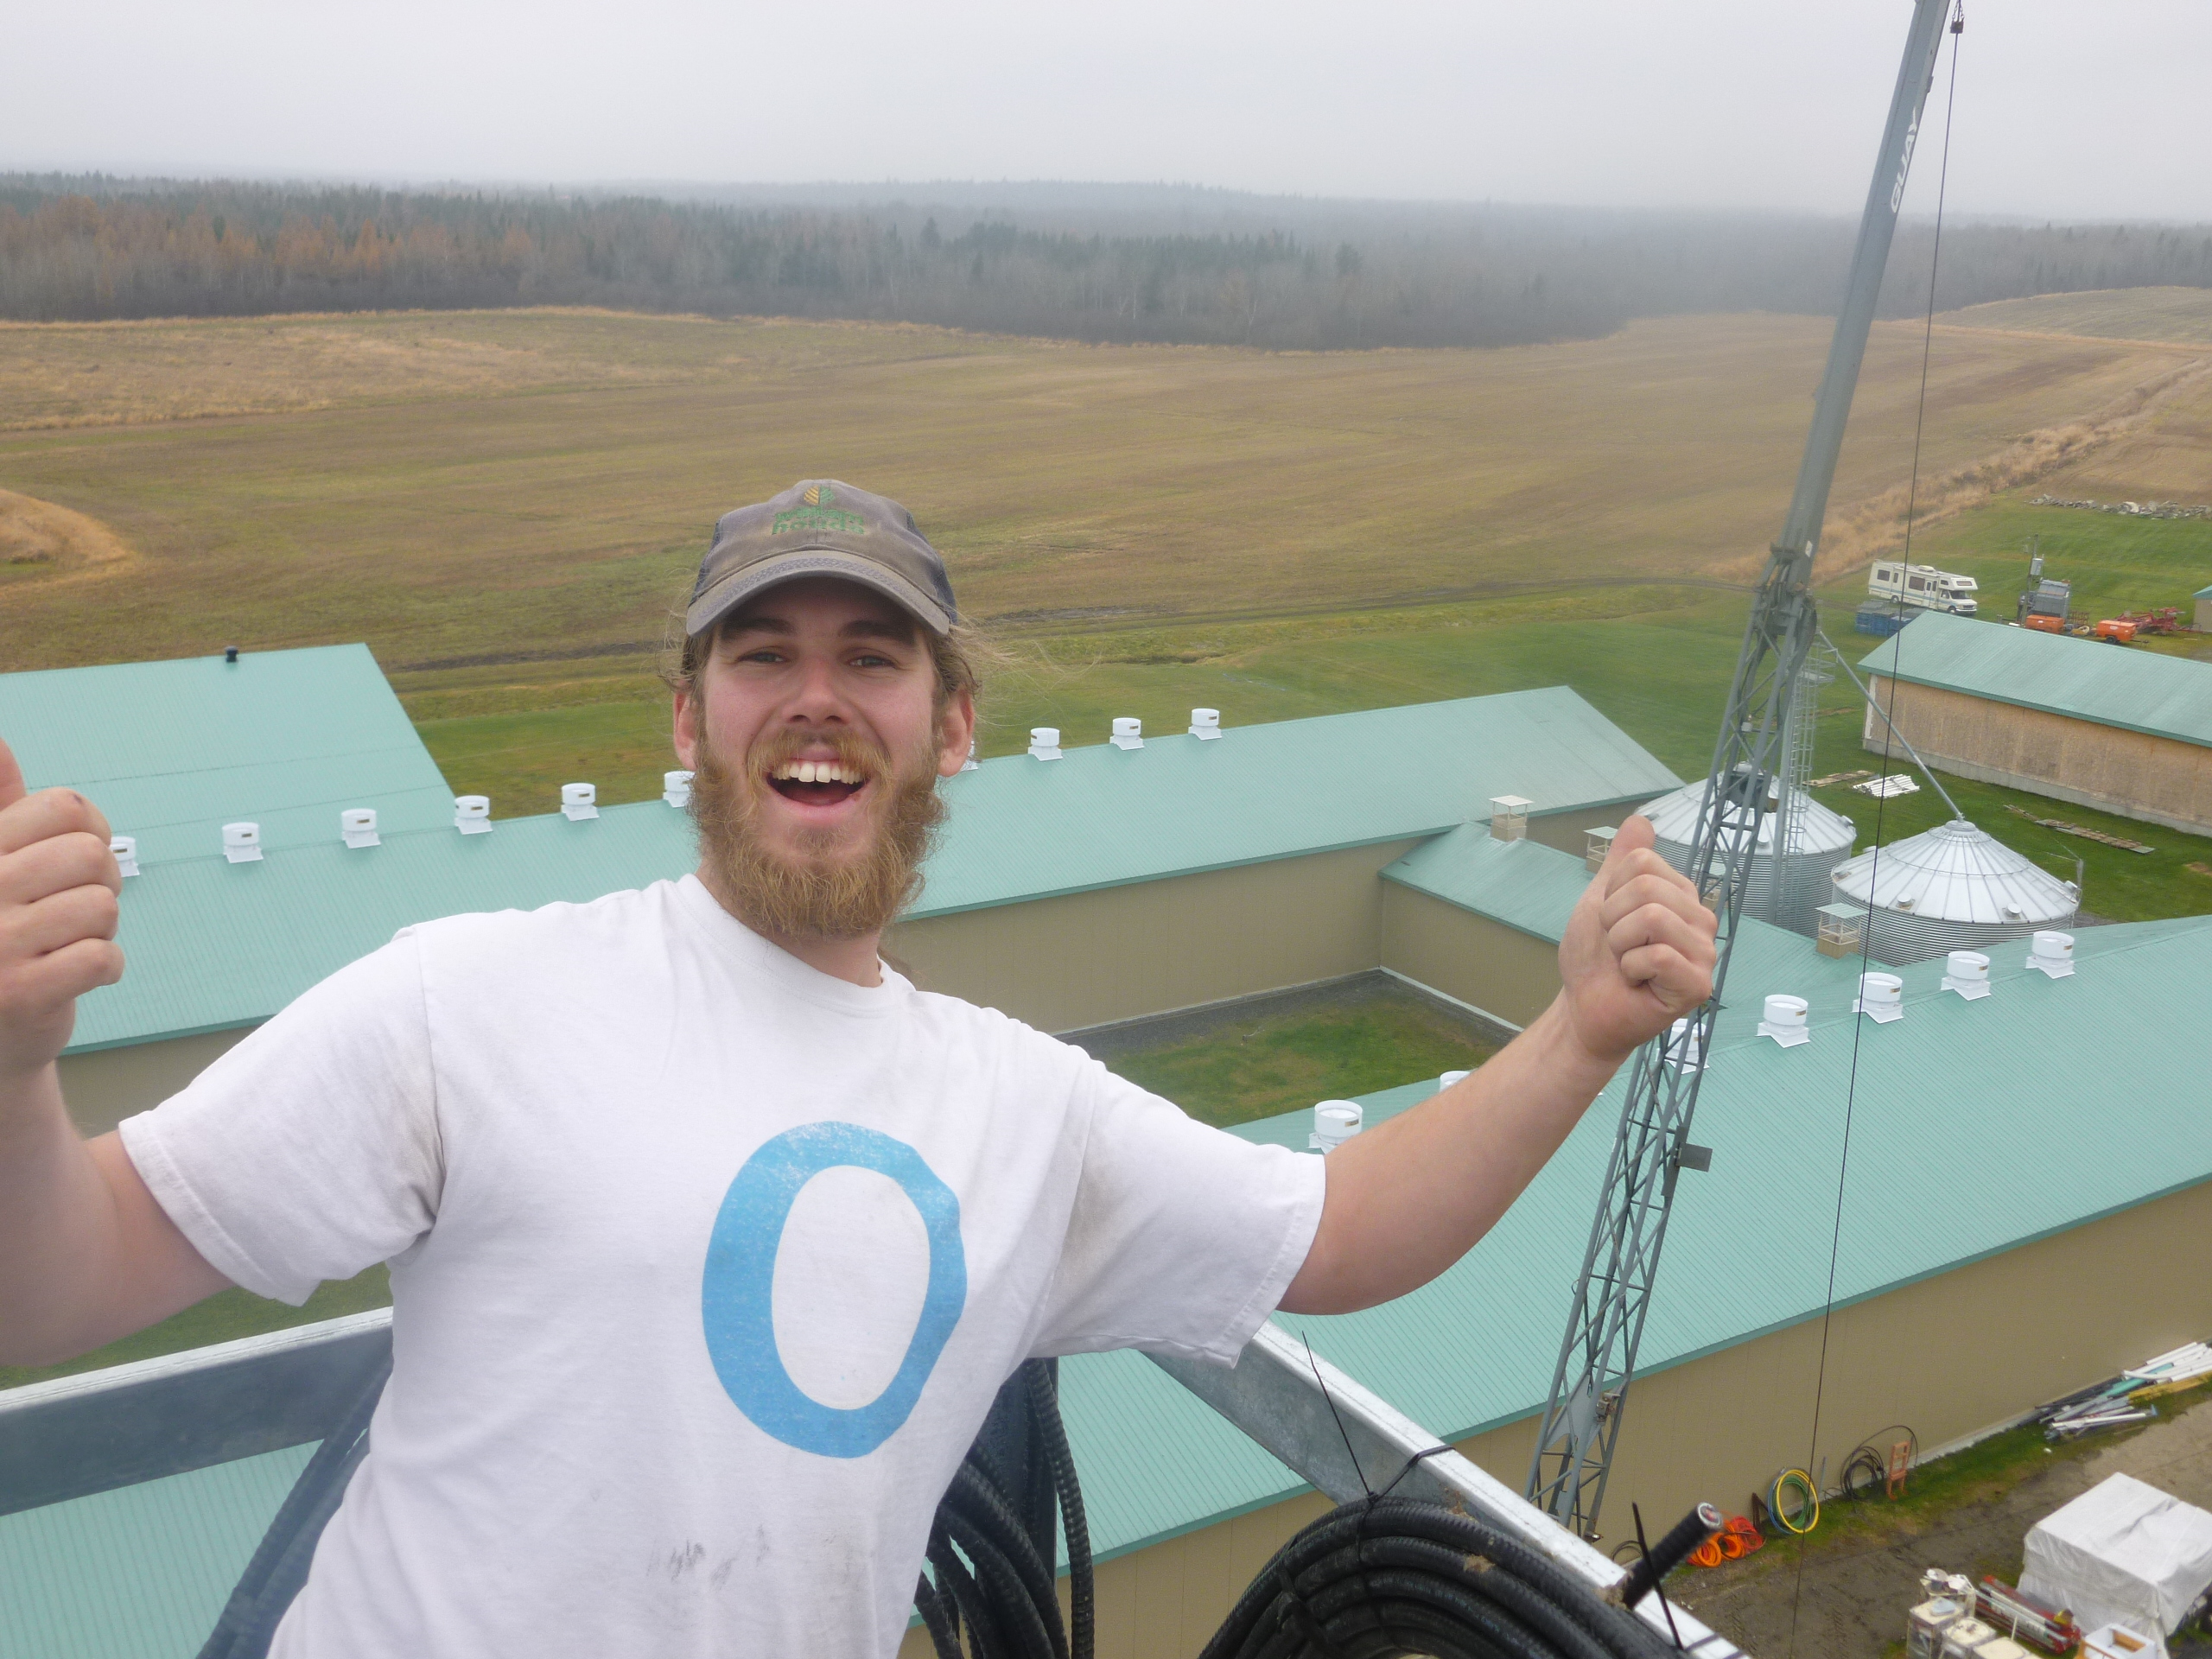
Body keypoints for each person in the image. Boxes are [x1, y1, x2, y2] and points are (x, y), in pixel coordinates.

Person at [0, 479, 1718, 1657]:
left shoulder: (1015, 1110)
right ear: (687, 722)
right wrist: (11, 1068)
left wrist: (1573, 1035)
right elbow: (49, 1288)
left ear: (948, 724)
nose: (813, 700)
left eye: (869, 658)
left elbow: (1336, 1232)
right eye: (762, 656)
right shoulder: (469, 1002)